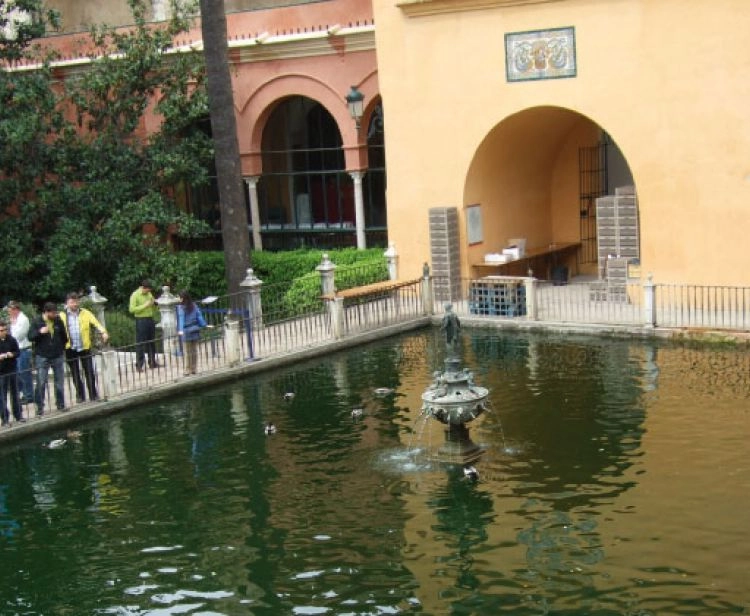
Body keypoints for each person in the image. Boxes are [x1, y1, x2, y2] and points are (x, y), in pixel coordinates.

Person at [60, 292, 109, 402]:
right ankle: (80, 395)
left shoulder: (85, 313)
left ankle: (93, 394)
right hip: (70, 347)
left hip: (84, 346)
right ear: (67, 303)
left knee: (89, 371)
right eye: (72, 302)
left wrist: (103, 332)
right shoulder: (62, 316)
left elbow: (96, 323)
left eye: (76, 302)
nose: (74, 304)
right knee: (75, 373)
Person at [28, 302, 68, 416]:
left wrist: (60, 348)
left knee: (59, 381)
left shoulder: (58, 321)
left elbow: (64, 336)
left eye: (55, 312)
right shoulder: (37, 321)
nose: (55, 314)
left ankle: (60, 404)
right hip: (42, 355)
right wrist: (39, 332)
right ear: (46, 312)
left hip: (57, 354)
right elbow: (30, 337)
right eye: (53, 312)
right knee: (41, 382)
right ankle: (39, 407)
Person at [129, 280, 159, 371]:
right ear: (143, 288)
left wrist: (154, 304)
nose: (149, 292)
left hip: (150, 319)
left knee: (152, 341)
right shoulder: (135, 295)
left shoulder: (149, 294)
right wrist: (145, 305)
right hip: (141, 320)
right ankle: (139, 364)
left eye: (150, 291)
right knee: (141, 342)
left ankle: (152, 362)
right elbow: (131, 309)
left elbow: (153, 304)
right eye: (148, 290)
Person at [6, 300, 33, 404]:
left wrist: (13, 325)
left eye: (10, 310)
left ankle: (29, 395)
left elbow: (18, 336)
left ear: (15, 310)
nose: (9, 313)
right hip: (18, 350)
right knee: (19, 374)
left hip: (23, 349)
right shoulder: (15, 319)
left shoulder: (23, 319)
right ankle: (25, 393)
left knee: (24, 373)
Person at [177, 291, 206, 376]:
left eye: (179, 297)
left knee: (187, 351)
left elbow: (181, 319)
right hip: (195, 329)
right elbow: (199, 317)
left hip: (186, 330)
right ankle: (194, 369)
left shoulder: (181, 308)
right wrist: (204, 324)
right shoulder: (194, 305)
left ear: (182, 298)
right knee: (194, 350)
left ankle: (187, 370)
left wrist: (180, 330)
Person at [0, 320, 23, 425]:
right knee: (2, 395)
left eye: (5, 330)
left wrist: (12, 354)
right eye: (1, 330)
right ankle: (5, 418)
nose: (3, 332)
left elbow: (18, 352)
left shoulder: (11, 339)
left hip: (12, 369)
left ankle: (18, 415)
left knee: (15, 393)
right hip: (1, 372)